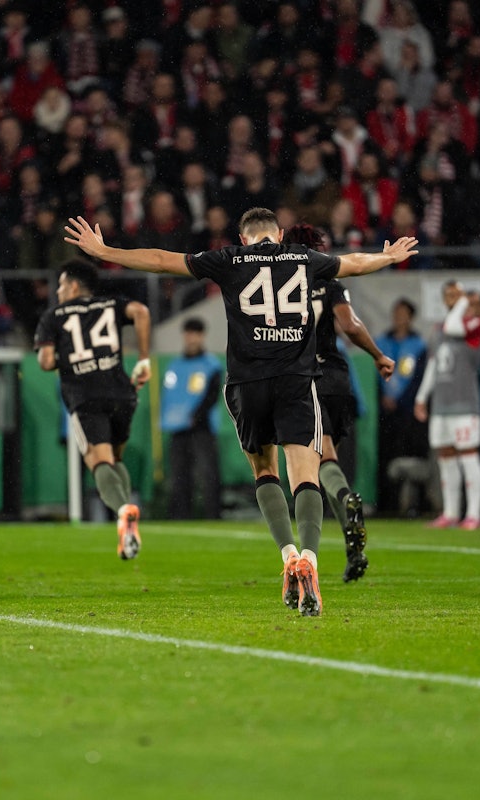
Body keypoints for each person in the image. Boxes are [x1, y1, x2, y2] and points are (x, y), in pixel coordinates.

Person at [63, 208, 417, 616]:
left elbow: (162, 260)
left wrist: (106, 250)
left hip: (248, 386)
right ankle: (310, 558)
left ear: (244, 237)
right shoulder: (303, 258)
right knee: (306, 475)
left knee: (266, 473)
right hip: (296, 382)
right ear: (279, 234)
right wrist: (388, 257)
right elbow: (353, 265)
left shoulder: (230, 258)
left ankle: (286, 555)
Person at [284, 222, 395, 583]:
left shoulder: (277, 283)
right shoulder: (329, 283)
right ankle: (353, 549)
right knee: (326, 455)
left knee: (316, 464)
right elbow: (349, 324)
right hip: (335, 377)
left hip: (301, 379)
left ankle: (344, 497)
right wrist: (377, 355)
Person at [34, 260, 152, 557]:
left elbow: (46, 362)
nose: (59, 291)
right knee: (116, 458)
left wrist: (69, 354)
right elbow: (141, 312)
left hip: (86, 397)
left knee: (99, 463)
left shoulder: (53, 316)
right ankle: (126, 524)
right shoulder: (110, 305)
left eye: (61, 284)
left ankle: (124, 511)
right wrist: (144, 358)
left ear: (73, 285)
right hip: (121, 393)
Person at [413, 281, 480, 530]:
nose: (453, 299)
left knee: (468, 456)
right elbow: (433, 365)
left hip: (465, 403)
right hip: (442, 403)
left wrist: (466, 302)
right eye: (449, 295)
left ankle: (474, 513)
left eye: (457, 294)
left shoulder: (475, 324)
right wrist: (422, 397)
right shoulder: (438, 329)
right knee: (445, 457)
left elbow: (455, 326)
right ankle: (451, 512)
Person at [160, 317, 223, 520]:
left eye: (195, 334)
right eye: (188, 334)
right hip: (177, 429)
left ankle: (213, 516)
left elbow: (212, 396)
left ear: (202, 336)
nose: (191, 338)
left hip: (202, 429)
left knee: (207, 476)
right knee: (179, 477)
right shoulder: (174, 366)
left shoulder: (211, 365)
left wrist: (196, 416)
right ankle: (180, 517)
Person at [375, 299, 429, 517]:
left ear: (411, 317)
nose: (398, 317)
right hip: (385, 412)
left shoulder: (418, 345)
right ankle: (386, 505)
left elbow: (418, 378)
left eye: (403, 313)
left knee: (411, 457)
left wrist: (402, 401)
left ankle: (414, 505)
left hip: (407, 413)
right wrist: (384, 398)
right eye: (396, 312)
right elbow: (375, 376)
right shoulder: (381, 342)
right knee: (386, 456)